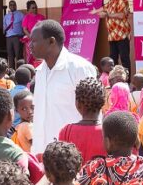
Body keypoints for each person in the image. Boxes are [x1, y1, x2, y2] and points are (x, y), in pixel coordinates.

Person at [30, 19, 97, 154]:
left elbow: (94, 116)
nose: (30, 45)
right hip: (42, 154)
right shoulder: (40, 72)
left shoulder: (79, 68)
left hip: (71, 156)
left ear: (51, 41)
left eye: (34, 41)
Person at [58, 77, 107, 163]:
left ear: (78, 104)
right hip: (101, 176)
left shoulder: (66, 131)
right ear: (103, 103)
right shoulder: (108, 133)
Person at [94, 0, 132, 72]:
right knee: (112, 59)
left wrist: (107, 15)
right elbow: (102, 9)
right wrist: (93, 11)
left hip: (122, 34)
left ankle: (127, 81)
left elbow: (122, 15)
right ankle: (114, 80)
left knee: (124, 59)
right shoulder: (110, 2)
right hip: (112, 36)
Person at [21, 0, 46, 66]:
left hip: (39, 39)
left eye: (35, 7)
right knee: (30, 56)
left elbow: (45, 27)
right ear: (29, 9)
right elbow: (25, 29)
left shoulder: (41, 17)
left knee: (39, 56)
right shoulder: (27, 17)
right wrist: (30, 37)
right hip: (30, 39)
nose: (35, 9)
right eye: (33, 8)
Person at [3, 0, 25, 66]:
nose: (12, 6)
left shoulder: (21, 15)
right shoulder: (6, 16)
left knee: (18, 55)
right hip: (9, 37)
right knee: (10, 55)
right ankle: (11, 71)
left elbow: (24, 26)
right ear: (9, 6)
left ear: (16, 6)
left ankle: (19, 70)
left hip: (17, 37)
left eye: (14, 5)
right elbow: (5, 27)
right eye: (11, 5)